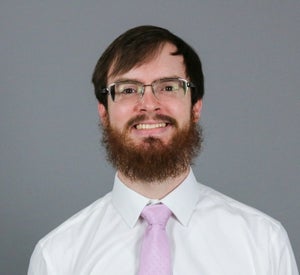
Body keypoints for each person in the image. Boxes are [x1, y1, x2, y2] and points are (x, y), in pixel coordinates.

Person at [28, 25, 298, 274]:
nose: (148, 104)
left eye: (168, 87)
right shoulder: (57, 256)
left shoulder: (264, 243)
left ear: (196, 107)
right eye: (127, 89)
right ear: (104, 112)